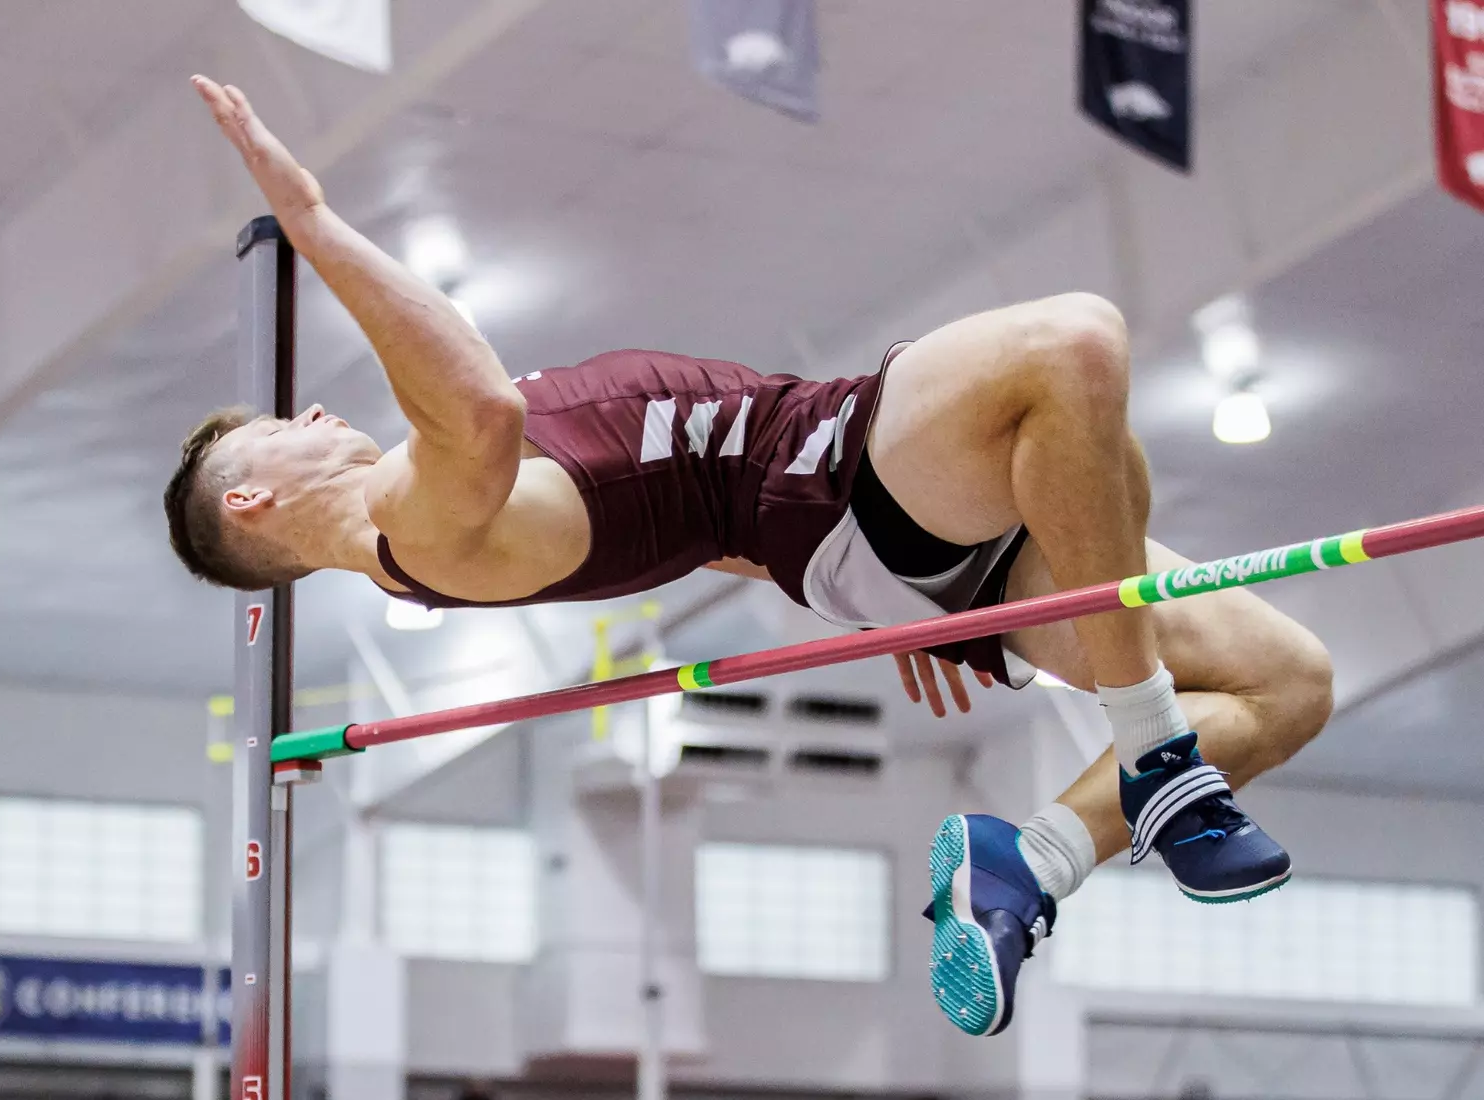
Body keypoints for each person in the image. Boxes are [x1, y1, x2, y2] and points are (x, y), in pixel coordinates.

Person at [169, 77, 1335, 1037]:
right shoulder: (413, 525)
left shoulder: (435, 520)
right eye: (284, 425)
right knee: (1072, 343)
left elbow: (690, 521)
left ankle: (1029, 857)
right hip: (838, 471)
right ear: (257, 497)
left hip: (850, 507)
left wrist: (884, 609)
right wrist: (314, 224)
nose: (316, 413)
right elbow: (480, 408)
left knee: (1286, 679)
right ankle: (1150, 747)